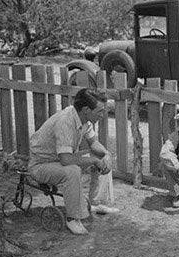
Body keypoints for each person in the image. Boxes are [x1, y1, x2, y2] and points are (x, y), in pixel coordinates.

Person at [27, 88, 116, 235]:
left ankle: (95, 203)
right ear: (86, 109)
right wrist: (93, 160)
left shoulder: (84, 119)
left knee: (102, 157)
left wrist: (105, 154)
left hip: (58, 159)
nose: (102, 114)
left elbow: (93, 143)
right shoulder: (65, 121)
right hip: (41, 165)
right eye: (100, 111)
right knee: (72, 170)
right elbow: (66, 159)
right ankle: (73, 218)